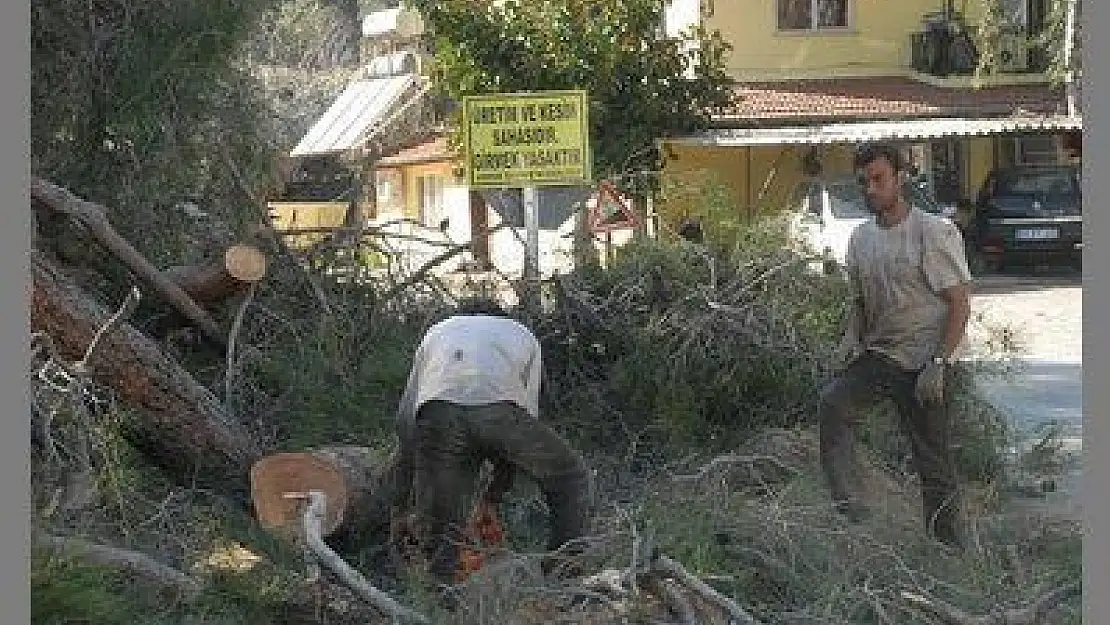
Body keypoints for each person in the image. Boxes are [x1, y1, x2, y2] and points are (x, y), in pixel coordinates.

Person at [819, 143, 972, 548]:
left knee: (933, 462)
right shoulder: (860, 239)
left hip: (926, 361)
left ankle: (949, 550)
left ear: (901, 179)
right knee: (834, 402)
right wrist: (852, 338)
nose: (871, 189)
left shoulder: (933, 233)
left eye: (879, 179)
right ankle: (854, 518)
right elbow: (858, 302)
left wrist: (940, 362)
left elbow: (959, 302)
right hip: (881, 356)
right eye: (864, 182)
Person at [390, 297, 593, 585]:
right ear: (501, 316)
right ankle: (564, 574)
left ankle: (440, 597)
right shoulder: (522, 334)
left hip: (438, 412)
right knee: (570, 478)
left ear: (461, 316)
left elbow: (405, 421)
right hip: (499, 413)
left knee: (442, 525)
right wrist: (495, 495)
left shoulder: (436, 332)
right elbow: (524, 416)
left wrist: (399, 506)